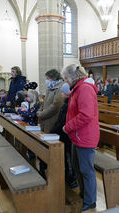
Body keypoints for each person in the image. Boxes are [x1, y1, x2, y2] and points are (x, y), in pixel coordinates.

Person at [62, 64, 99, 211]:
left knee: (86, 170)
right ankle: (84, 194)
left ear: (72, 77)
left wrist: (68, 127)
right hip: (77, 136)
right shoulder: (77, 88)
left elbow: (86, 115)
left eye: (66, 78)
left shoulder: (84, 89)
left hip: (85, 136)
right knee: (78, 168)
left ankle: (91, 201)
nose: (65, 81)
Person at [51, 83, 78, 189]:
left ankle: (72, 179)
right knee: (67, 157)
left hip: (66, 135)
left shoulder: (68, 105)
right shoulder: (66, 104)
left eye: (63, 92)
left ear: (67, 94)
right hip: (63, 134)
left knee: (69, 158)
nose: (61, 94)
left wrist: (53, 131)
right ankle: (68, 176)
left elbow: (62, 122)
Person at [37, 69, 64, 133]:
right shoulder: (50, 88)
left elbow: (56, 106)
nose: (46, 81)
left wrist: (42, 114)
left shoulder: (60, 88)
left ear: (53, 78)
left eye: (47, 78)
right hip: (45, 119)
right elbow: (44, 102)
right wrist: (39, 111)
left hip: (53, 119)